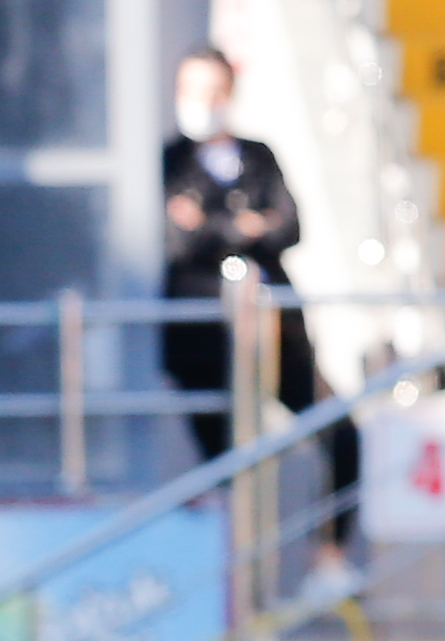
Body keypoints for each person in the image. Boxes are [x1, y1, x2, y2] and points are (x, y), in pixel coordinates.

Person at [161, 45, 360, 596]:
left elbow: (289, 226)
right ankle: (231, 592)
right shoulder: (169, 161)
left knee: (342, 433)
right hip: (205, 342)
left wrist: (214, 225)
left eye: (213, 90)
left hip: (277, 334)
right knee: (228, 470)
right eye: (192, 90)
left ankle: (327, 558)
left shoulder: (258, 155)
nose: (203, 102)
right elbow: (180, 242)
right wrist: (246, 225)